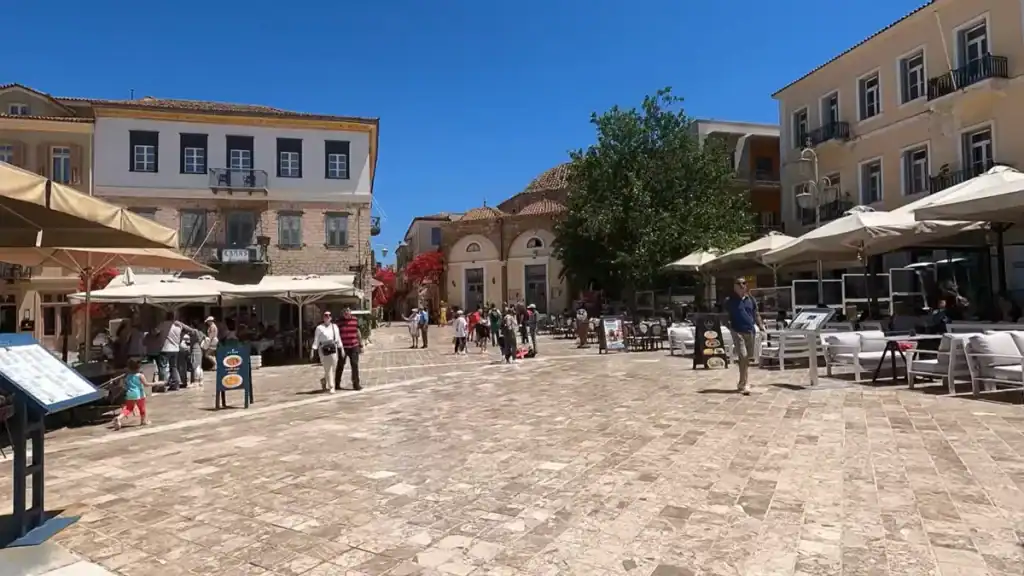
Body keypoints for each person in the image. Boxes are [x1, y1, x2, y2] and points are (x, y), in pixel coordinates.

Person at [725, 277, 765, 395]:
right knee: (743, 355)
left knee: (748, 358)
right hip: (737, 331)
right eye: (739, 283)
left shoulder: (751, 299)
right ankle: (743, 384)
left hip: (750, 331)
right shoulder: (729, 300)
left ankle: (743, 381)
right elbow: (723, 314)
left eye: (744, 283)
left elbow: (756, 314)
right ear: (734, 286)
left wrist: (761, 326)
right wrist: (729, 326)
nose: (742, 285)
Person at [113, 358, 150, 430]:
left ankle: (119, 417)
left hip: (130, 393)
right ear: (139, 367)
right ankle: (143, 421)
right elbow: (146, 384)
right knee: (142, 408)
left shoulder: (127, 376)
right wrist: (157, 383)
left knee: (128, 408)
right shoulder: (140, 375)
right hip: (140, 394)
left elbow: (125, 386)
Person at [311, 311, 341, 393]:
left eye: (328, 316)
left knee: (333, 368)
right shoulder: (319, 328)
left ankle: (324, 380)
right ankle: (331, 386)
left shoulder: (334, 327)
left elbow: (338, 339)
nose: (327, 317)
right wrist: (313, 350)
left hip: (333, 348)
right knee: (328, 368)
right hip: (323, 349)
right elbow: (316, 340)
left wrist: (341, 348)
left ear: (331, 317)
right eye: (325, 316)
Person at [335, 306, 363, 391]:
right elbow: (336, 334)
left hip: (354, 346)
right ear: (342, 313)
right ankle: (337, 384)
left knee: (355, 365)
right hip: (343, 347)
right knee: (340, 365)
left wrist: (361, 344)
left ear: (350, 311)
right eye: (344, 311)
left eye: (347, 310)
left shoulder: (355, 320)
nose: (346, 312)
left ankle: (356, 384)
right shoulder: (339, 322)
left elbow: (358, 332)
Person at [155, 312, 183, 392]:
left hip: (165, 348)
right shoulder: (179, 326)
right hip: (175, 349)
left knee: (163, 367)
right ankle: (176, 384)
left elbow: (155, 332)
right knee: (173, 367)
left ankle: (162, 386)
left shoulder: (163, 324)